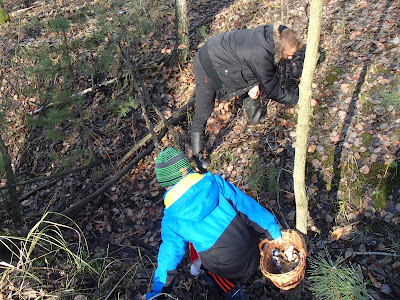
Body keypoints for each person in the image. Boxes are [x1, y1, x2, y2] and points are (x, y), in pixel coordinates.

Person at [143, 147, 282, 300]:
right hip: (251, 251)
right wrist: (272, 229)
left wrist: (160, 290)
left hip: (226, 267)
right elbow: (248, 207)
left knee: (212, 271)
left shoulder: (171, 219)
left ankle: (234, 294)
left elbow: (169, 256)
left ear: (165, 185)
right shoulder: (216, 183)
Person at [191, 24, 303, 172]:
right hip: (207, 62)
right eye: (288, 54)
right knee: (204, 109)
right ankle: (197, 156)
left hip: (227, 54)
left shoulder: (276, 34)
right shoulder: (262, 54)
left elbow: (253, 64)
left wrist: (255, 82)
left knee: (255, 84)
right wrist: (298, 101)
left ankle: (255, 120)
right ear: (279, 48)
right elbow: (273, 91)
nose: (290, 58)